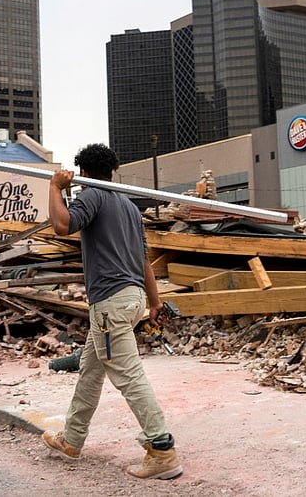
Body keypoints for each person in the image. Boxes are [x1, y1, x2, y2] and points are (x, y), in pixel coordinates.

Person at [42, 143, 183, 480]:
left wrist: (54, 187)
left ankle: (161, 448)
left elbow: (62, 226)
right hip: (131, 299)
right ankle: (72, 439)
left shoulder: (93, 195)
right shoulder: (129, 207)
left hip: (110, 304)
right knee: (91, 370)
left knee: (128, 375)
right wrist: (155, 302)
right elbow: (144, 261)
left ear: (85, 172)